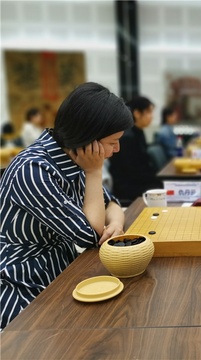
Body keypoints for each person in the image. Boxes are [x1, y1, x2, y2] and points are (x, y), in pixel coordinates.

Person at [0, 82, 133, 330]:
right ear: (88, 137)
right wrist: (94, 171)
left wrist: (115, 223)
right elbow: (90, 234)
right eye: (113, 141)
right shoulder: (33, 170)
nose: (117, 149)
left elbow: (111, 202)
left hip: (63, 272)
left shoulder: (71, 156)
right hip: (24, 288)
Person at [109, 96, 157, 206]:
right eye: (148, 112)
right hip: (128, 187)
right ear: (137, 113)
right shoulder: (127, 137)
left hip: (138, 181)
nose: (152, 117)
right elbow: (132, 171)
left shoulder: (138, 132)